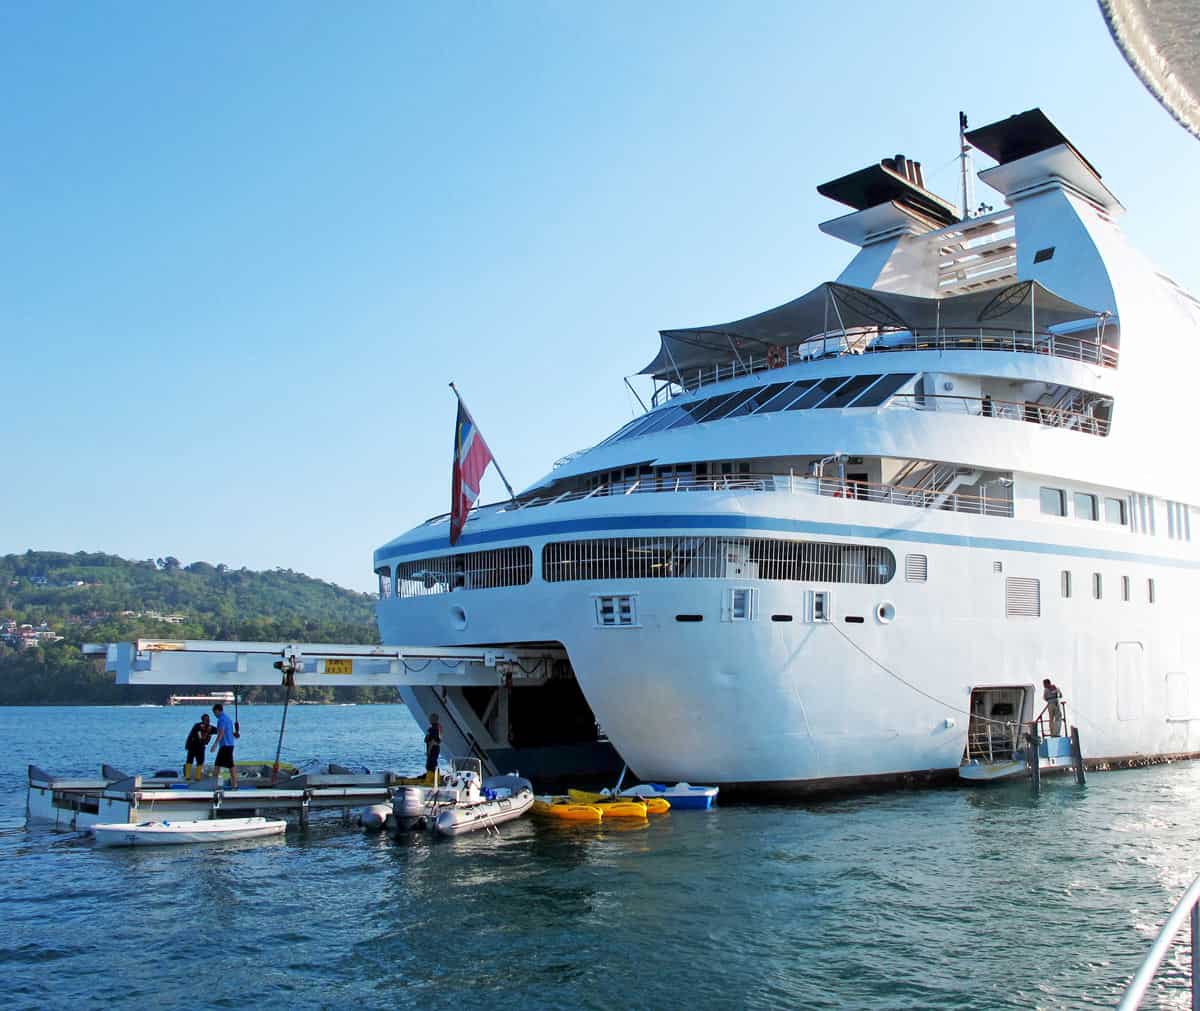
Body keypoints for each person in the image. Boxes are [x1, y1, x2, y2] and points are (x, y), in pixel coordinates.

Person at [210, 702, 239, 789]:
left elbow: (221, 733)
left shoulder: (221, 719)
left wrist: (215, 744)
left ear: (217, 711)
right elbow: (229, 732)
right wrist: (235, 734)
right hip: (229, 744)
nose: (215, 715)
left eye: (214, 713)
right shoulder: (228, 718)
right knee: (218, 764)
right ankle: (215, 784)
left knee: (229, 765)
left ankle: (234, 784)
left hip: (225, 745)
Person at [184, 712, 215, 781]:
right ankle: (187, 776)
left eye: (208, 719)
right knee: (189, 760)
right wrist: (187, 745)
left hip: (201, 747)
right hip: (192, 745)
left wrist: (232, 733)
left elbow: (219, 730)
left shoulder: (211, 728)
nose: (208, 721)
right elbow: (192, 734)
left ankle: (197, 777)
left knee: (200, 761)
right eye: (206, 720)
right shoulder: (197, 725)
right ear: (202, 720)